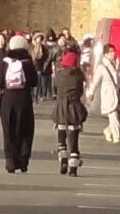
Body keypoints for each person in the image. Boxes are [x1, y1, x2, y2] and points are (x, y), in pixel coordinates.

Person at [0, 35, 41, 173]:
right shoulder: (27, 62)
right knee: (25, 130)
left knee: (8, 131)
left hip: (7, 102)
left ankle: (10, 161)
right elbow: (34, 82)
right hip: (24, 101)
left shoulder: (6, 61)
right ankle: (23, 160)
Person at [49, 46, 87, 176]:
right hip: (74, 108)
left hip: (60, 107)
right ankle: (73, 168)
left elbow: (55, 89)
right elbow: (81, 92)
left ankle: (63, 159)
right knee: (74, 138)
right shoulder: (78, 75)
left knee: (61, 135)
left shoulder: (58, 74)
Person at [90, 40, 120, 144]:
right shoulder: (102, 66)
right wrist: (91, 92)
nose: (113, 53)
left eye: (113, 51)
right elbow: (95, 81)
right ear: (106, 54)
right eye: (110, 52)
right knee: (113, 115)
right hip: (109, 93)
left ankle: (108, 130)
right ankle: (116, 137)